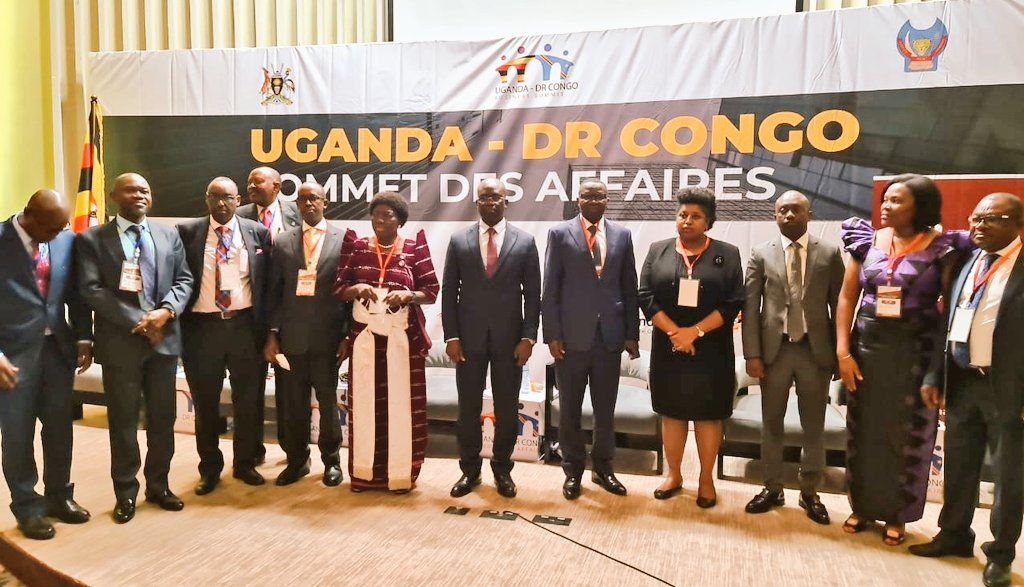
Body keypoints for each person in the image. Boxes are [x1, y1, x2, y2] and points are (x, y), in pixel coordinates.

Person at [836, 173, 971, 545]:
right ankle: (862, 506)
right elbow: (847, 298)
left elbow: (948, 310)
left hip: (915, 353)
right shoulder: (866, 241)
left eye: (897, 200)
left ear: (920, 207)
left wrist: (937, 370)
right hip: (866, 351)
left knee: (908, 436)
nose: (886, 206)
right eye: (885, 199)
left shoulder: (941, 247)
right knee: (863, 433)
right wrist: (842, 352)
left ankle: (897, 514)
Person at [909, 193, 1024, 587]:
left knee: (1008, 478)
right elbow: (949, 324)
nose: (978, 226)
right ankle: (955, 535)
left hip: (1008, 389)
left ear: (1017, 223)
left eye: (990, 219)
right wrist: (933, 377)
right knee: (959, 467)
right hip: (962, 382)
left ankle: (1001, 555)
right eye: (975, 218)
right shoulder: (966, 262)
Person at [75, 173, 194, 523]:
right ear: (114, 196)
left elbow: (185, 279)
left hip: (163, 342)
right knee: (123, 421)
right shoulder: (92, 239)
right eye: (131, 190)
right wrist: (141, 320)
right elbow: (91, 289)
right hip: (121, 343)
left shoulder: (168, 234)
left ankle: (159, 486)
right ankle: (126, 492)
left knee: (163, 419)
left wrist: (165, 312)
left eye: (145, 189)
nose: (139, 194)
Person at [741, 191, 845, 524]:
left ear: (809, 214)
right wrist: (752, 354)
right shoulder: (760, 253)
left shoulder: (829, 253)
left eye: (795, 210)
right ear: (775, 215)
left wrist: (841, 353)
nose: (788, 215)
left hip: (815, 352)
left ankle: (810, 491)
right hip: (775, 352)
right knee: (771, 422)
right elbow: (751, 307)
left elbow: (841, 307)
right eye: (782, 210)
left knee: (813, 425)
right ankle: (772, 487)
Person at [638, 187, 743, 508]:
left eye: (696, 216)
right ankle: (674, 475)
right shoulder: (658, 250)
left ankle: (706, 480)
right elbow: (645, 296)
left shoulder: (728, 253)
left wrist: (694, 333)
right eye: (682, 214)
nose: (687, 221)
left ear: (708, 221)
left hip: (712, 350)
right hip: (669, 347)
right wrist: (676, 333)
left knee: (709, 415)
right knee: (672, 412)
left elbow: (733, 303)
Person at [0, 190, 93, 540]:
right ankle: (27, 506)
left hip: (57, 350)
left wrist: (84, 337)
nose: (59, 234)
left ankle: (59, 496)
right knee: (17, 432)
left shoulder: (64, 240)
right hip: (13, 356)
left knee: (59, 428)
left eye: (62, 227)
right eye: (52, 228)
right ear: (29, 216)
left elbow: (75, 293)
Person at [442, 178, 541, 499]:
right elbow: (449, 293)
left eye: (496, 197)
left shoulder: (525, 242)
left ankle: (502, 469)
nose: (490, 202)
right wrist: (451, 336)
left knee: (508, 409)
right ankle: (469, 471)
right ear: (477, 202)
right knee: (468, 409)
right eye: (484, 197)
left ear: (506, 201)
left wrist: (528, 338)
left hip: (510, 341)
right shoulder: (459, 240)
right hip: (467, 341)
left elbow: (533, 295)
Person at [542, 179, 640, 500]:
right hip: (571, 339)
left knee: (605, 410)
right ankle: (573, 471)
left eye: (600, 196)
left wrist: (631, 334)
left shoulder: (622, 235)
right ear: (578, 199)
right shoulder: (559, 234)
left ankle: (603, 468)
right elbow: (550, 289)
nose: (594, 200)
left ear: (607, 200)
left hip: (608, 339)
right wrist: (552, 335)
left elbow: (629, 287)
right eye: (588, 196)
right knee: (569, 410)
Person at [334, 192, 439, 493]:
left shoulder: (414, 249)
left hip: (403, 343)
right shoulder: (356, 246)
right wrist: (357, 288)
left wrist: (409, 295)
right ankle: (363, 475)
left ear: (400, 220)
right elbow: (339, 289)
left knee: (402, 409)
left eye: (387, 215)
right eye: (376, 214)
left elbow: (431, 290)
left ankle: (401, 475)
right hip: (365, 342)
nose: (380, 220)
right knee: (366, 409)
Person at [176, 177, 272, 494]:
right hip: (202, 331)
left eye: (228, 197)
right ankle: (209, 469)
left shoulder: (257, 232)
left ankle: (244, 463)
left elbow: (267, 284)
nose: (221, 203)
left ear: (238, 200)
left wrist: (270, 331)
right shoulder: (187, 232)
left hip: (245, 329)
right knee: (205, 404)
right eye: (215, 197)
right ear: (206, 199)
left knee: (248, 401)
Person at [264, 182, 350, 487]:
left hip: (328, 339)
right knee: (293, 405)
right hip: (292, 339)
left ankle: (332, 461)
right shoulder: (283, 241)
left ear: (325, 203)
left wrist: (346, 336)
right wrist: (272, 334)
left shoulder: (344, 239)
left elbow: (348, 295)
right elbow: (275, 293)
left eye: (314, 198)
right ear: (297, 205)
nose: (308, 204)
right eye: (302, 200)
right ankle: (297, 461)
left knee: (327, 404)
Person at [237, 165, 301, 464]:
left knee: (290, 389)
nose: (251, 186)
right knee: (251, 389)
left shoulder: (298, 213)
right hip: (250, 315)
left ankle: (293, 453)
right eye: (249, 182)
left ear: (276, 187)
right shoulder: (238, 215)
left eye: (258, 182)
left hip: (288, 315)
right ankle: (252, 452)